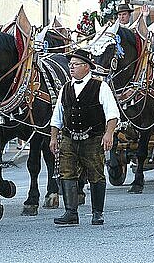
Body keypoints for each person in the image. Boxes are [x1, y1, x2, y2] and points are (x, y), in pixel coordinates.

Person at [49, 49, 119, 226]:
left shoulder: (100, 86)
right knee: (66, 173)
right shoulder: (65, 88)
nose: (71, 68)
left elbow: (112, 113)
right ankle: (71, 212)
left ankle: (97, 213)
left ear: (87, 67)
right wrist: (53, 137)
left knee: (96, 174)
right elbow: (57, 116)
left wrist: (109, 133)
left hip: (93, 138)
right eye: (70, 65)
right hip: (69, 138)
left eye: (75, 64)